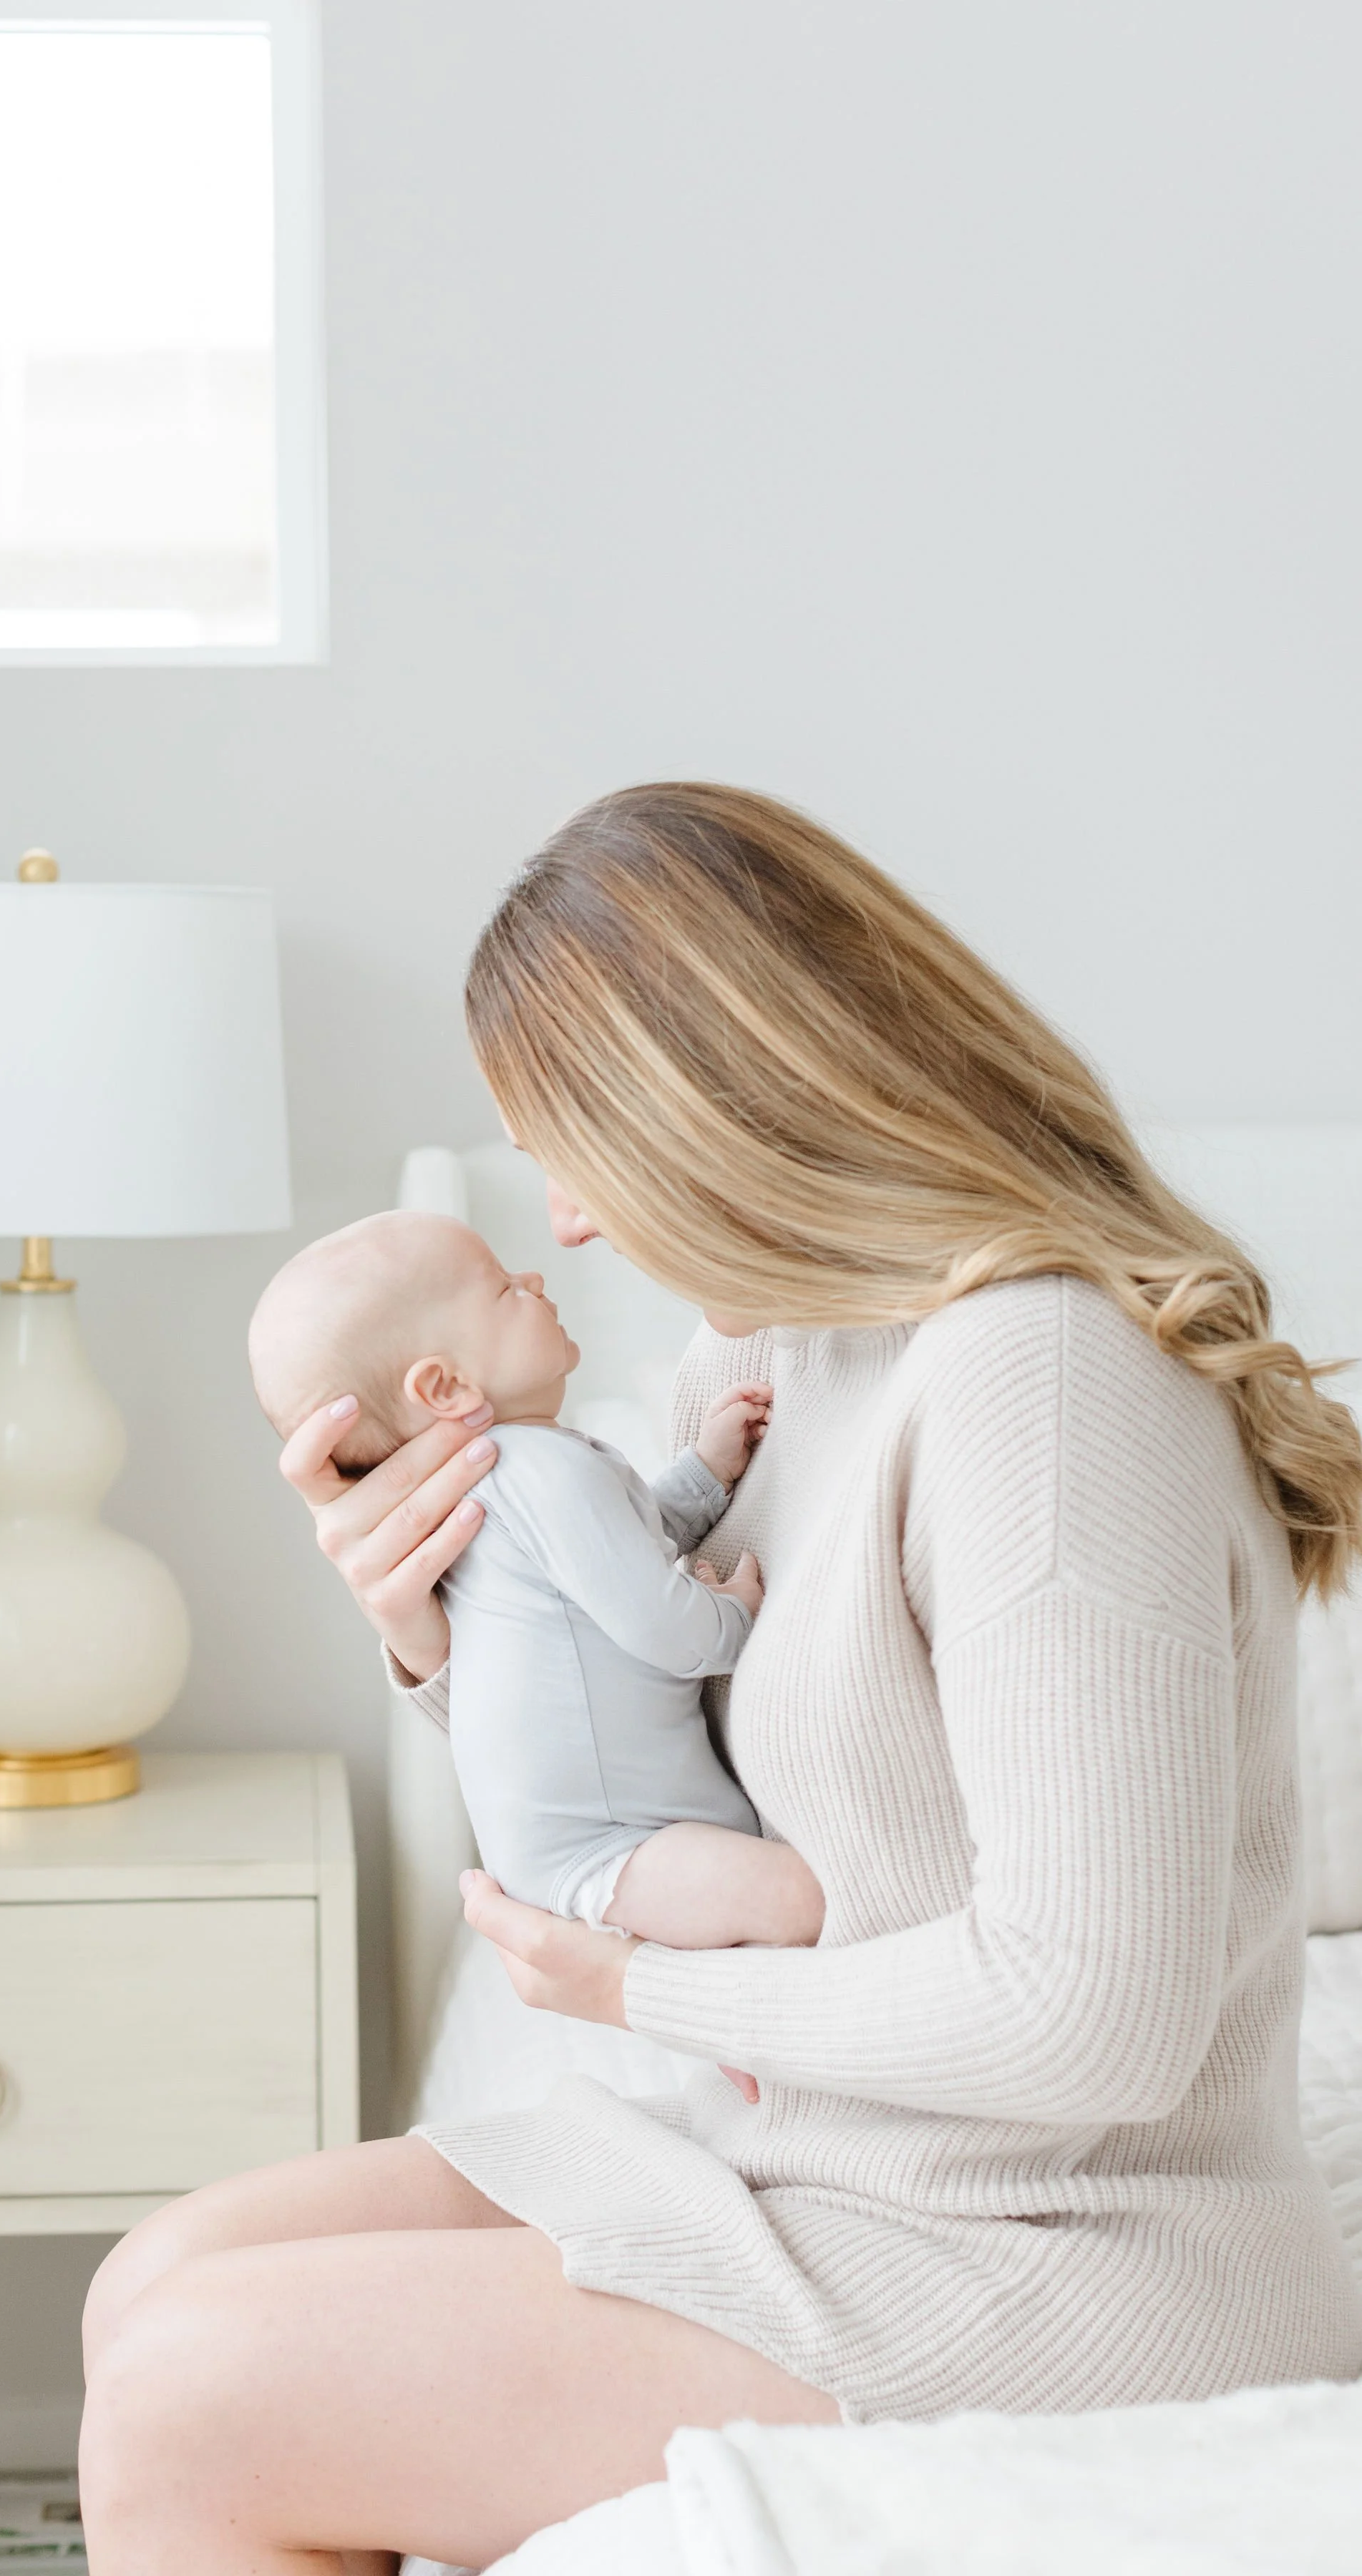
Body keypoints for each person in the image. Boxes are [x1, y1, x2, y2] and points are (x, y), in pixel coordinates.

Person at [79, 784, 1362, 2576]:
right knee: (153, 2284)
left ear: (719, 1108)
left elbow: (1090, 2017)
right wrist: (445, 1641)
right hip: (828, 2166)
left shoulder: (1040, 1387)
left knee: (191, 2399)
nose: (567, 1226)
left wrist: (638, 1993)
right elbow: (674, 1763)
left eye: (572, 1148)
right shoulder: (776, 1349)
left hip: (1061, 2252)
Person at [248, 1211, 818, 1979]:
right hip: (611, 1846)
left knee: (757, 1932)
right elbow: (660, 1621)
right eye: (504, 1287)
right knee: (801, 1901)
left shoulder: (511, 1478)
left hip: (587, 1841)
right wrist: (737, 1618)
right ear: (445, 1385)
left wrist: (709, 1470)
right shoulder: (536, 1468)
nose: (538, 1278)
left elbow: (632, 1540)